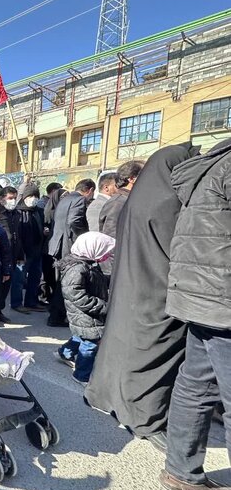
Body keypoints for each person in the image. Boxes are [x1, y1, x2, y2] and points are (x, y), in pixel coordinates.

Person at [84, 143, 200, 453]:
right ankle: (146, 418)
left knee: (122, 351)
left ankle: (114, 401)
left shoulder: (137, 200)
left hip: (129, 286)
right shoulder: (166, 203)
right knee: (151, 357)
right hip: (155, 292)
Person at [158, 138, 231, 490]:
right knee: (201, 386)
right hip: (222, 296)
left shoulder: (208, 170)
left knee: (196, 385)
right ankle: (181, 471)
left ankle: (181, 471)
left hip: (201, 294)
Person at [54, 232, 115, 386]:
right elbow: (76, 294)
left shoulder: (88, 264)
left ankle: (65, 353)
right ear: (91, 249)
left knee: (81, 336)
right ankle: (81, 375)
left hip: (87, 315)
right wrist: (102, 306)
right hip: (86, 314)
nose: (106, 255)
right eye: (104, 251)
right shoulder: (77, 269)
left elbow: (96, 281)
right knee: (90, 344)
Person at [47, 178, 95, 327]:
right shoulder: (79, 200)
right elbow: (74, 221)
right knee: (68, 281)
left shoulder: (65, 200)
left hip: (57, 245)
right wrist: (83, 237)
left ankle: (55, 314)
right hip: (68, 245)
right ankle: (56, 316)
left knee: (60, 281)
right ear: (90, 190)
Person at [13, 185, 46, 312]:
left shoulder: (38, 211)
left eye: (36, 196)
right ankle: (16, 303)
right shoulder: (18, 212)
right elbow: (17, 234)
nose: (33, 199)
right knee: (19, 279)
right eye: (31, 196)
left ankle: (31, 301)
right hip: (23, 252)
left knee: (35, 277)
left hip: (37, 250)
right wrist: (20, 253)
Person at [0, 186, 23, 322]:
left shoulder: (16, 214)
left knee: (6, 285)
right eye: (10, 198)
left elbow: (17, 235)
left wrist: (20, 255)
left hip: (12, 254)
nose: (13, 201)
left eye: (15, 198)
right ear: (2, 198)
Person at [99, 160, 144, 238]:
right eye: (146, 175)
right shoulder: (118, 203)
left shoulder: (131, 199)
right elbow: (111, 237)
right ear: (132, 178)